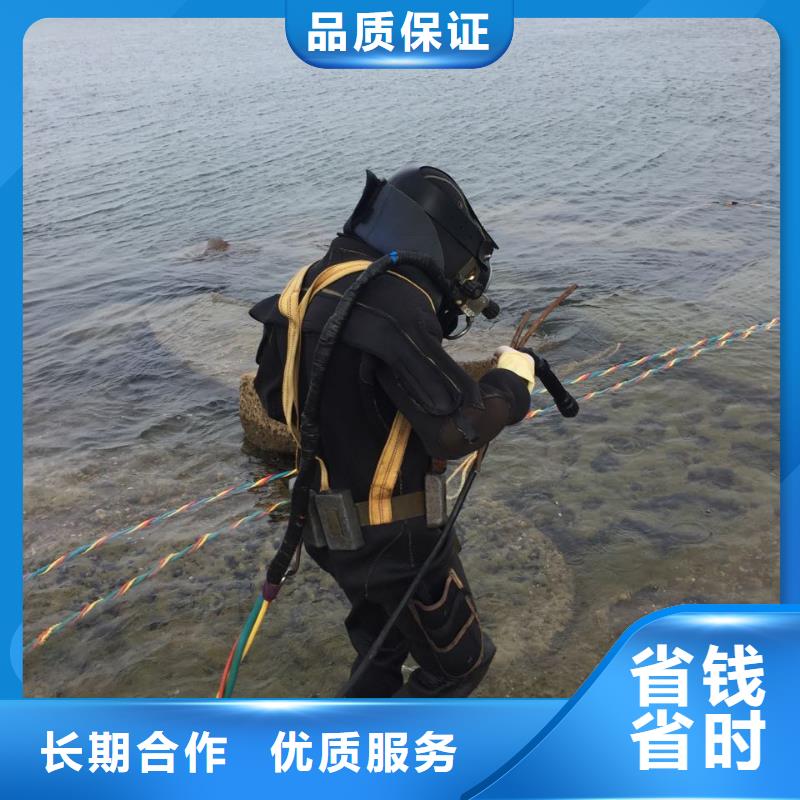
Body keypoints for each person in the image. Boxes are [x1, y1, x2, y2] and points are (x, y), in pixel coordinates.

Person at [249, 166, 536, 697]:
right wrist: (511, 383)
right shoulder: (393, 301)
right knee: (460, 664)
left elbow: (273, 397)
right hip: (394, 542)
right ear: (442, 242)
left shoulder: (309, 283)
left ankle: (351, 738)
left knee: (381, 653)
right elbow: (457, 429)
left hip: (329, 534)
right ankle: (392, 749)